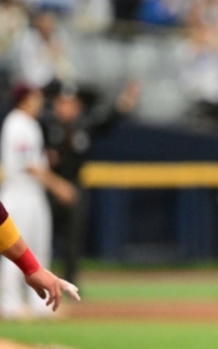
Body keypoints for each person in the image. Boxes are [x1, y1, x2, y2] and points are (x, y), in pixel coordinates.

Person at [41, 80, 141, 285]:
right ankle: (38, 281)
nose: (67, 107)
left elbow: (109, 119)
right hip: (49, 186)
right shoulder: (45, 125)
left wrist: (126, 100)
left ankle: (71, 283)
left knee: (74, 238)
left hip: (75, 184)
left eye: (71, 103)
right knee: (40, 236)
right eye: (62, 102)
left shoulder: (83, 125)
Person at [0, 83, 77, 319]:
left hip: (34, 193)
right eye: (36, 97)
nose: (40, 101)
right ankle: (10, 303)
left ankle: (40, 303)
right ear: (25, 99)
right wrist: (58, 185)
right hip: (18, 192)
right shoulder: (16, 123)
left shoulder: (31, 124)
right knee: (13, 246)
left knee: (39, 247)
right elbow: (29, 165)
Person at [0, 200, 80, 312]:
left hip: (35, 198)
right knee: (10, 262)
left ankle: (34, 303)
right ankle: (10, 302)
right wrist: (32, 268)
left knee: (40, 247)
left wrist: (32, 268)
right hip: (16, 198)